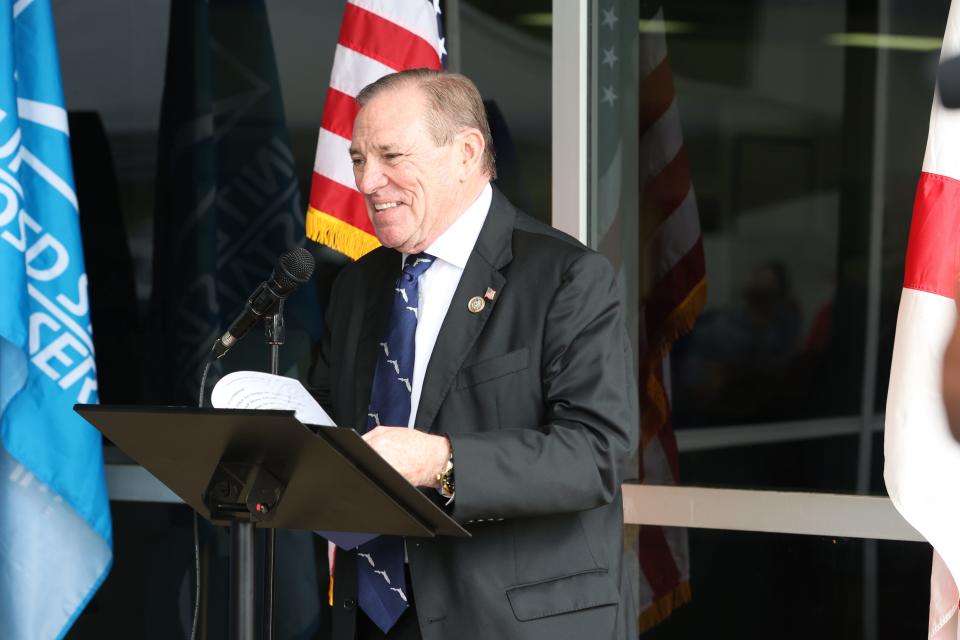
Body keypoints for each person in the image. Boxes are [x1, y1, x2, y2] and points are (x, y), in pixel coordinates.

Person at [307, 69, 638, 640]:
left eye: (390, 155)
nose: (367, 181)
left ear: (465, 152)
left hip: (509, 621)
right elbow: (330, 418)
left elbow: (596, 453)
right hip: (370, 617)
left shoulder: (566, 277)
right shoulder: (358, 286)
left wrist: (441, 460)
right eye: (359, 159)